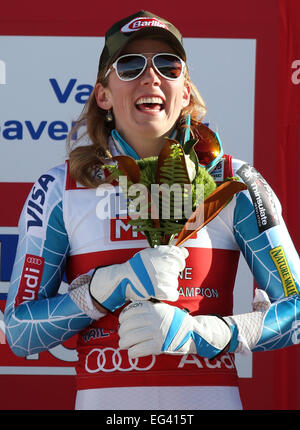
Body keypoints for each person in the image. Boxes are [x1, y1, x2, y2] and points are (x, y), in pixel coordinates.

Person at [4, 10, 300, 410]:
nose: (151, 76)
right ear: (103, 95)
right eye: (129, 65)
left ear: (186, 92)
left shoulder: (235, 181)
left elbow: (297, 310)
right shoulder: (61, 188)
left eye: (167, 64)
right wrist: (105, 289)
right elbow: (19, 333)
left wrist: (209, 333)